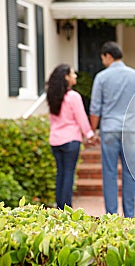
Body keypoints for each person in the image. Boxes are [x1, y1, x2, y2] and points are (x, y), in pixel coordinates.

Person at [90, 41, 135, 218]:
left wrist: (93, 130)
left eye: (103, 58)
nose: (102, 61)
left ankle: (112, 216)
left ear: (108, 56)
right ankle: (130, 216)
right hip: (129, 129)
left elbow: (95, 107)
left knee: (109, 172)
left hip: (109, 128)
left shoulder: (101, 77)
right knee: (130, 172)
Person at [46, 64, 97, 210]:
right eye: (73, 74)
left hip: (55, 141)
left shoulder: (52, 96)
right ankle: (67, 210)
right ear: (66, 77)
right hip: (70, 141)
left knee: (60, 173)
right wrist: (89, 134)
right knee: (69, 173)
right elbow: (81, 117)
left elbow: (53, 120)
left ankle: (59, 208)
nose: (75, 76)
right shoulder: (74, 96)